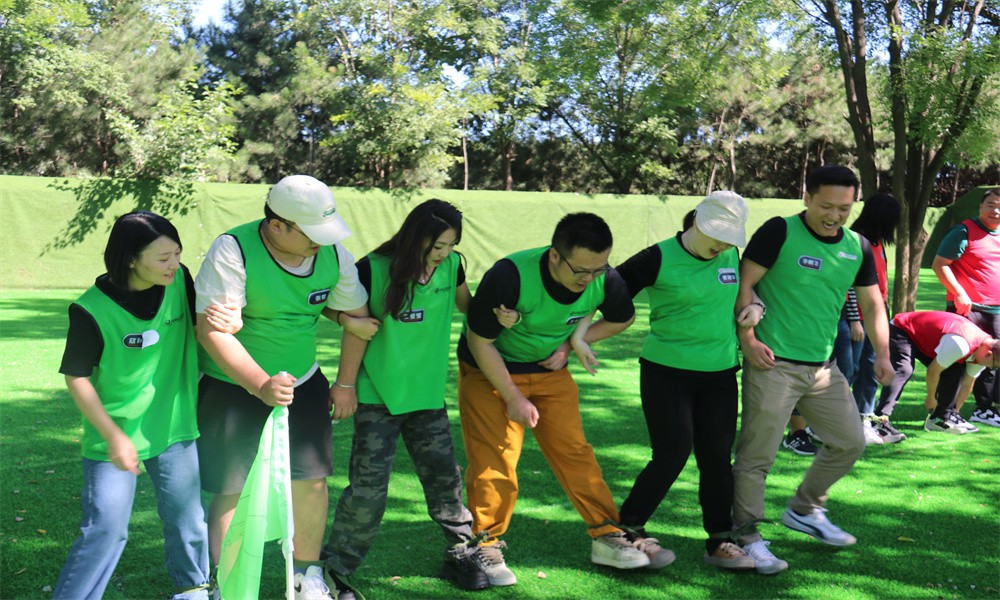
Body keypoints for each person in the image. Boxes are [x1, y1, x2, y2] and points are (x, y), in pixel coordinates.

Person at [323, 200, 515, 596]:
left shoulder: (452, 266)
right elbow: (334, 308)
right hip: (377, 397)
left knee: (445, 482)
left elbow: (469, 307)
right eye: (437, 245)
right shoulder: (372, 268)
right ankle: (335, 570)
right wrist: (345, 382)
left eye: (451, 245)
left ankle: (461, 553)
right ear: (415, 237)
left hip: (427, 396)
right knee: (368, 492)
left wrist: (501, 317)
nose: (444, 253)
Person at [195, 175, 369, 600]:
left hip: (302, 382)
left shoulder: (333, 254)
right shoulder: (232, 249)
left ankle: (306, 576)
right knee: (232, 488)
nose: (321, 242)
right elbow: (211, 331)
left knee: (311, 481)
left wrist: (345, 382)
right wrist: (260, 385)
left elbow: (358, 320)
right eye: (311, 233)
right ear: (276, 226)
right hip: (232, 385)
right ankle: (226, 584)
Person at [54, 211, 239, 599]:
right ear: (130, 260)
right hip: (115, 438)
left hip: (174, 427)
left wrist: (223, 320)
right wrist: (114, 437)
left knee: (188, 520)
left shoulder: (179, 280)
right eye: (163, 258)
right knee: (106, 530)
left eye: (177, 254)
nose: (174, 264)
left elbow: (201, 326)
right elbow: (77, 377)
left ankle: (193, 591)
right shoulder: (90, 310)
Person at [457, 212, 647, 586]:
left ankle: (607, 534)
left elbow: (622, 317)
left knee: (574, 451)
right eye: (581, 270)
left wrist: (571, 344)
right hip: (489, 371)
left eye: (598, 268)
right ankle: (485, 544)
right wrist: (513, 396)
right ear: (555, 255)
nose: (589, 279)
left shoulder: (604, 277)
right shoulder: (509, 275)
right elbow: (480, 342)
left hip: (550, 372)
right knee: (496, 457)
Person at [732, 165, 893, 574]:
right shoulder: (779, 231)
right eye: (826, 206)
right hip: (773, 364)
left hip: (823, 369)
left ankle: (804, 508)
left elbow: (873, 304)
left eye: (844, 208)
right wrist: (748, 340)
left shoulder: (857, 246)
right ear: (807, 198)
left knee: (850, 441)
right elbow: (744, 283)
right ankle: (745, 535)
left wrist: (884, 354)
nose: (834, 216)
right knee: (757, 457)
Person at [610, 191, 757, 571]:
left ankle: (720, 541)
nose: (722, 244)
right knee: (672, 454)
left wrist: (756, 306)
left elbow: (750, 293)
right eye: (717, 235)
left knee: (717, 459)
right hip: (666, 372)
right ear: (698, 222)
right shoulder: (658, 257)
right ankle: (628, 529)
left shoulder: (732, 256)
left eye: (729, 237)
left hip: (720, 374)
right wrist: (580, 334)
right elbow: (608, 289)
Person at [830, 193, 903, 444]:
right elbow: (849, 284)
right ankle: (836, 422)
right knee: (848, 371)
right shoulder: (854, 241)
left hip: (874, 318)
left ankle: (864, 419)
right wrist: (854, 320)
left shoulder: (876, 243)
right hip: (856, 318)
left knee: (871, 372)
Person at [931, 188, 1000, 427]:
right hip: (967, 310)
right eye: (990, 204)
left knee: (992, 359)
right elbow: (940, 264)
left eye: (999, 206)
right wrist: (959, 292)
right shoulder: (964, 231)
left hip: (995, 311)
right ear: (980, 207)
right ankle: (943, 410)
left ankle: (984, 409)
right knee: (958, 360)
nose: (995, 210)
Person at [874, 311, 1000, 434]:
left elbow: (967, 383)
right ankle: (879, 418)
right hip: (902, 328)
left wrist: (955, 411)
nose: (991, 368)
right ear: (988, 354)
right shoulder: (961, 345)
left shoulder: (983, 352)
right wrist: (931, 397)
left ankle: (941, 418)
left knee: (954, 370)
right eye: (994, 366)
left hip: (926, 338)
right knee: (904, 369)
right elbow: (933, 371)